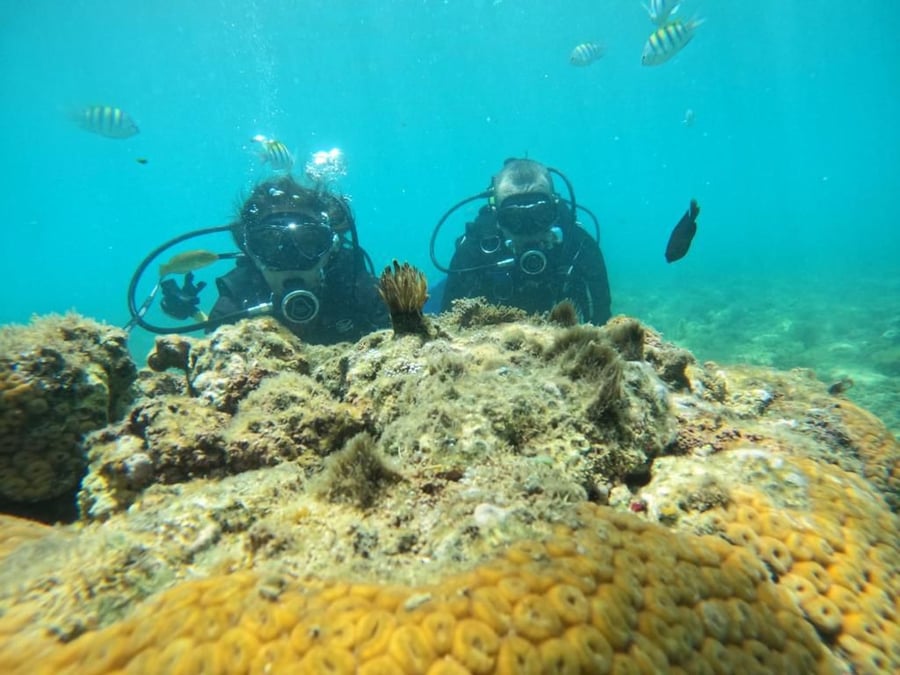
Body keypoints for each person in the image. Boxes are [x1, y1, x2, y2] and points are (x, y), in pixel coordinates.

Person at [130, 175, 388, 344]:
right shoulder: (237, 301)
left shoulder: (356, 288)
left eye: (310, 242)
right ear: (251, 252)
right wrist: (196, 314)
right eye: (270, 244)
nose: (291, 260)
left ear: (330, 248)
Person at [430, 158, 612, 324]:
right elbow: (449, 322)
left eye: (540, 215)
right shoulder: (475, 249)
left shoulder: (578, 246)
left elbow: (602, 319)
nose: (529, 231)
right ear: (498, 219)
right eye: (514, 219)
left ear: (554, 211)